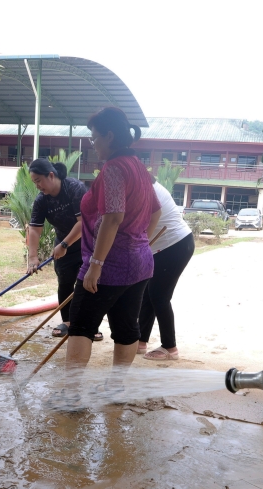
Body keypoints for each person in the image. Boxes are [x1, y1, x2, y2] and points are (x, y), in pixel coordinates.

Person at [65, 107, 161, 372]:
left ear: (108, 136)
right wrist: (139, 242)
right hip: (140, 263)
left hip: (108, 265)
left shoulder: (114, 168)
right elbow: (156, 211)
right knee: (127, 326)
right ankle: (116, 390)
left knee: (82, 326)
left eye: (94, 138)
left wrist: (96, 264)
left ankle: (70, 394)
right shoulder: (139, 167)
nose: (93, 144)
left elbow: (113, 217)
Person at [25, 158, 102, 341]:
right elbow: (35, 229)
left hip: (87, 241)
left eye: (38, 181)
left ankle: (92, 325)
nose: (37, 186)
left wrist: (64, 245)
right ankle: (67, 322)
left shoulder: (75, 189)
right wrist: (33, 257)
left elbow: (83, 224)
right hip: (63, 242)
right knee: (65, 282)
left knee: (88, 283)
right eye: (34, 182)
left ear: (51, 175)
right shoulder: (41, 200)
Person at [137, 178, 195, 360]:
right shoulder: (141, 185)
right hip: (163, 247)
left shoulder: (143, 189)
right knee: (148, 293)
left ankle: (170, 348)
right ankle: (140, 340)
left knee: (159, 296)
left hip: (174, 245)